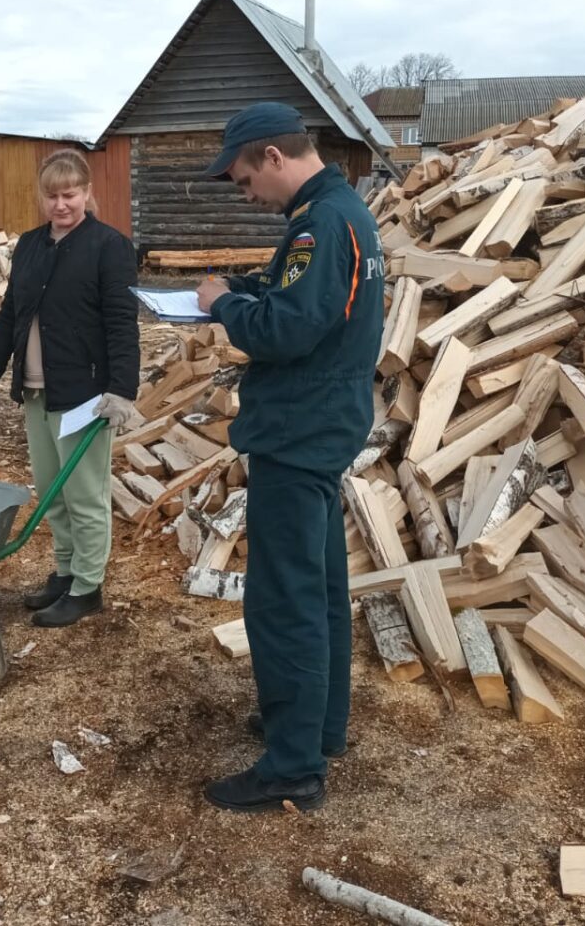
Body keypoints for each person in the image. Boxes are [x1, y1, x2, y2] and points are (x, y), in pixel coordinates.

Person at [193, 102, 385, 813]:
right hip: (320, 426)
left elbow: (288, 327)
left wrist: (221, 307)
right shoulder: (337, 213)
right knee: (321, 587)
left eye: (245, 180)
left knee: (284, 599)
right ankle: (316, 725)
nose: (247, 195)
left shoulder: (319, 223)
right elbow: (299, 298)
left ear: (273, 157)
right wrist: (243, 288)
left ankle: (293, 764)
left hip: (298, 432)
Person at [0, 149, 141, 628]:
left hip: (85, 394)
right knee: (51, 490)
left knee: (84, 493)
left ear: (87, 193)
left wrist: (122, 390)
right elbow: (10, 316)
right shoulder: (30, 245)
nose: (61, 204)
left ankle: (87, 585)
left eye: (70, 194)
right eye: (52, 195)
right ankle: (65, 571)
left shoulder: (109, 246)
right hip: (36, 389)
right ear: (41, 197)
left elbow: (122, 324)